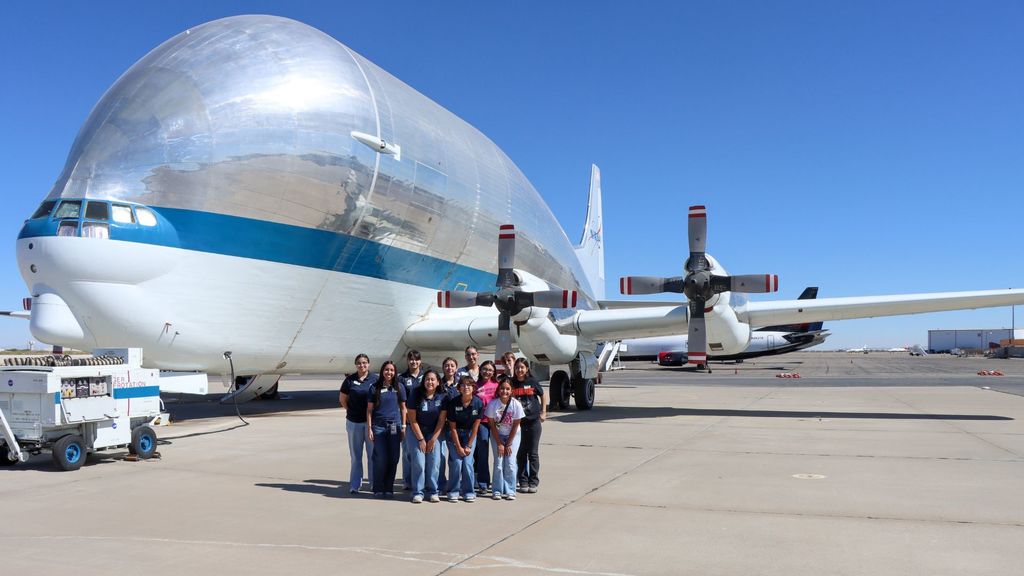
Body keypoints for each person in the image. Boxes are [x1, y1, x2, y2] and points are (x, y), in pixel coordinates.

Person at [367, 361, 407, 498]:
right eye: (386, 370)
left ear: (395, 372)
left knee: (394, 458)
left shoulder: (399, 387)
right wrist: (370, 428)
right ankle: (378, 487)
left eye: (391, 370)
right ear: (382, 371)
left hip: (394, 426)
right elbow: (369, 410)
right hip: (378, 427)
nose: (389, 372)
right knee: (381, 458)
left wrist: (404, 427)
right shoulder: (375, 387)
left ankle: (389, 488)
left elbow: (403, 408)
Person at [407, 370, 448, 503]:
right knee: (419, 462)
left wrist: (433, 439)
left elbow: (442, 421)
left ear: (437, 382)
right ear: (423, 381)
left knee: (434, 462)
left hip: (434, 432)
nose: (430, 382)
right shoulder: (415, 394)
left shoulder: (442, 396)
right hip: (416, 431)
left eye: (432, 380)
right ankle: (418, 492)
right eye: (427, 379)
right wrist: (421, 439)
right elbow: (412, 420)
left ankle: (432, 491)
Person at [339, 354, 377, 494]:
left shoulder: (375, 379)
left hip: (370, 424)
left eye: (365, 363)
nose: (362, 365)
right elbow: (343, 399)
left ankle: (374, 483)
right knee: (356, 456)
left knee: (372, 455)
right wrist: (351, 411)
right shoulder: (350, 380)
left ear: (369, 364)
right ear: (356, 365)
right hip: (354, 423)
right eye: (359, 363)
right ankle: (355, 484)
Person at [509, 357, 546, 493]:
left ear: (526, 369)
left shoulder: (532, 382)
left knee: (533, 453)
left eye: (522, 368)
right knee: (521, 453)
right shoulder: (512, 383)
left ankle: (533, 481)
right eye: (517, 368)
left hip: (533, 422)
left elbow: (542, 395)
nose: (519, 370)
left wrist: (543, 411)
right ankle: (523, 481)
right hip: (518, 424)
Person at [445, 374, 483, 502]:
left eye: (469, 385)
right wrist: (458, 447)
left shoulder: (478, 403)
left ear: (473, 387)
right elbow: (452, 428)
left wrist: (468, 446)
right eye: (463, 385)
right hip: (454, 435)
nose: (466, 387)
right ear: (459, 388)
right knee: (456, 463)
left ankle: (468, 491)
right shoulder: (453, 403)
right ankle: (453, 491)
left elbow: (476, 427)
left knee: (467, 464)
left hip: (469, 435)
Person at [485, 379, 524, 500]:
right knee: (498, 464)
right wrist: (500, 443)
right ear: (498, 390)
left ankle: (510, 490)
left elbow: (516, 423)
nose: (504, 391)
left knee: (510, 463)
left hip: (513, 435)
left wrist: (509, 443)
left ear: (511, 390)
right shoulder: (493, 404)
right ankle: (497, 490)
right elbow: (491, 424)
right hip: (497, 435)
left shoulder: (516, 404)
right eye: (502, 388)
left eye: (507, 389)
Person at [398, 350, 425, 491]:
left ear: (420, 361)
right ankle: (407, 480)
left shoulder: (426, 376)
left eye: (416, 359)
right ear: (407, 361)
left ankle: (423, 480)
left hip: (425, 419)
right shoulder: (402, 378)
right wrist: (403, 423)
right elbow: (401, 402)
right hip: (409, 420)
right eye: (411, 359)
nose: (413, 362)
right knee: (408, 452)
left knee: (424, 452)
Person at [473, 360, 500, 494]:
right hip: (482, 422)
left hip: (496, 423)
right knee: (482, 453)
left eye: (490, 370)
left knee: (499, 452)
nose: (487, 372)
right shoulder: (475, 386)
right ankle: (483, 483)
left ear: (494, 371)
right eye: (484, 369)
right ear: (480, 370)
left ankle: (499, 482)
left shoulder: (498, 385)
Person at [437, 356, 461, 488]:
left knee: (454, 458)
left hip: (456, 426)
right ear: (443, 368)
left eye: (452, 365)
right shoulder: (437, 384)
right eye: (447, 365)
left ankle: (454, 486)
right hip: (440, 425)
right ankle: (440, 484)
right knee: (439, 458)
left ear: (456, 368)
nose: (449, 368)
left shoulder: (461, 384)